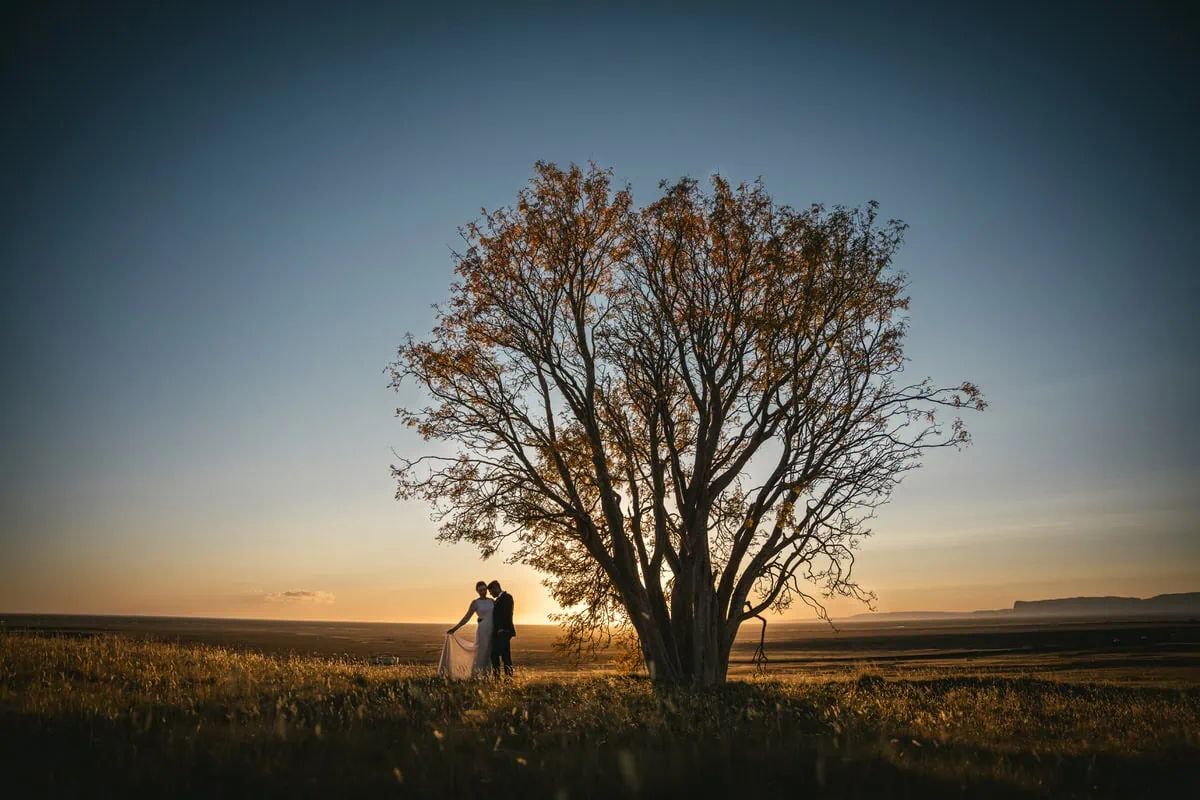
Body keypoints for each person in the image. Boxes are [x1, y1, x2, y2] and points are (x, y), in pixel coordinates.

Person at [438, 581, 493, 679]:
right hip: (482, 630)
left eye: (484, 589)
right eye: (480, 590)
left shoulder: (492, 601)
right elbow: (466, 617)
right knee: (480, 653)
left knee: (490, 653)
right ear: (477, 591)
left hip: (492, 630)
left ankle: (488, 676)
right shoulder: (475, 603)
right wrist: (455, 628)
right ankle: (476, 676)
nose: (483, 592)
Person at [487, 580, 516, 677]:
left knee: (503, 656)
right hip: (498, 632)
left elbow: (508, 614)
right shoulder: (498, 600)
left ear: (496, 588)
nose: (491, 594)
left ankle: (506, 678)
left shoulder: (507, 597)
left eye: (491, 592)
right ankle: (499, 678)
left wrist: (503, 629)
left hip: (504, 631)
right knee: (498, 655)